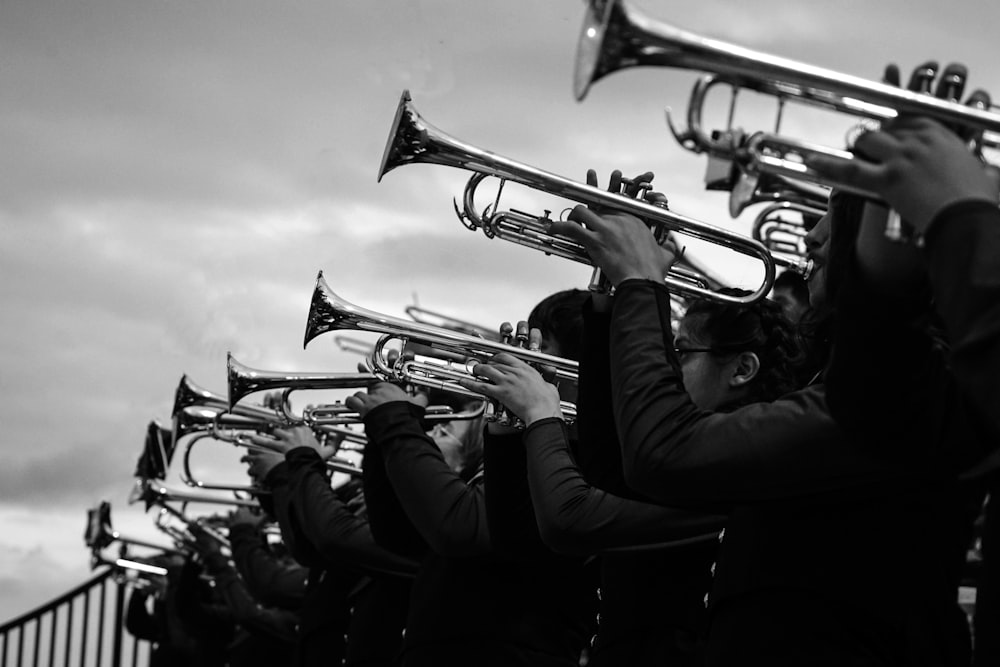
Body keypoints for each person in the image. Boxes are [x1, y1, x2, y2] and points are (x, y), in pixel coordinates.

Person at [536, 164, 984, 664]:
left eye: (840, 214)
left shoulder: (900, 393)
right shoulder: (835, 381)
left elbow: (656, 456)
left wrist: (641, 283)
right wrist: (613, 296)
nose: (812, 236)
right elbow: (617, 472)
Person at [344, 297, 598, 667]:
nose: (518, 360)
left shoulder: (573, 452)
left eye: (537, 352)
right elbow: (401, 536)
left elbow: (463, 529)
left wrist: (397, 424)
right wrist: (384, 431)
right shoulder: (517, 439)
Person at [242, 432, 416, 667]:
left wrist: (299, 463)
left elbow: (332, 536)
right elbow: (307, 542)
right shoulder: (361, 492)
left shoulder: (423, 520)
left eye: (442, 429)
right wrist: (288, 470)